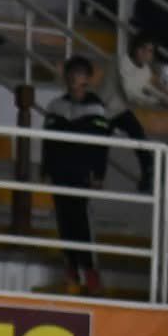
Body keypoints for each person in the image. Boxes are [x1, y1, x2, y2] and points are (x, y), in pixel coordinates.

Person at [42, 55, 111, 293]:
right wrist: (46, 168)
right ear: (67, 79)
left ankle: (90, 271)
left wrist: (98, 173)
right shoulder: (55, 106)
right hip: (61, 172)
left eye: (80, 78)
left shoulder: (97, 108)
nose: (75, 83)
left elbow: (101, 145)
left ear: (88, 80)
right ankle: (70, 267)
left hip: (82, 174)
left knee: (82, 221)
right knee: (64, 220)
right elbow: (48, 142)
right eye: (71, 78)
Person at [100, 34, 159, 190]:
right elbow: (130, 93)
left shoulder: (146, 71)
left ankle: (148, 176)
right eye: (143, 49)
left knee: (139, 136)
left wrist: (160, 93)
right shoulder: (120, 61)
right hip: (104, 109)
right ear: (135, 49)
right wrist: (156, 99)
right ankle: (96, 180)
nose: (146, 54)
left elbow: (144, 89)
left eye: (150, 51)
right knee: (100, 147)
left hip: (120, 110)